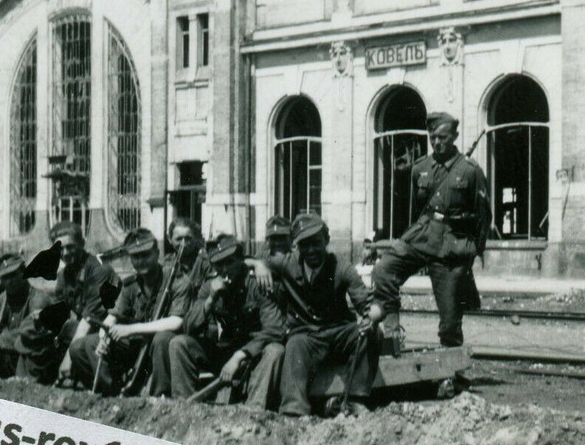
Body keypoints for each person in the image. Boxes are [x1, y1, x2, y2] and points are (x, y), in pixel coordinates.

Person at [371, 111, 490, 391]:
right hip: (423, 234)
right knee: (383, 270)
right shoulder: (419, 169)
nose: (437, 143)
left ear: (455, 138)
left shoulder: (470, 170)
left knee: (450, 318)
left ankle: (454, 372)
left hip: (452, 245)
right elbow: (417, 210)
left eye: (443, 138)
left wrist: (472, 251)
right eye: (433, 137)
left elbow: (484, 216)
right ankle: (390, 337)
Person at [265, 213, 382, 417]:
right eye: (304, 245)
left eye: (316, 244)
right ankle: (294, 410)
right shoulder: (288, 264)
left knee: (374, 333)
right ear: (297, 246)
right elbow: (251, 260)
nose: (311, 251)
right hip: (308, 337)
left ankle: (355, 399)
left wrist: (371, 317)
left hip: (339, 333)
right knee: (294, 344)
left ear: (326, 241)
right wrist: (258, 266)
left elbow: (367, 304)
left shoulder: (341, 267)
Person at [69, 228, 189, 397]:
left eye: (146, 255)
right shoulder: (131, 284)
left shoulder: (175, 279)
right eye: (136, 257)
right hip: (136, 345)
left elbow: (177, 321)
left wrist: (131, 329)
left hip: (162, 344)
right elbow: (113, 316)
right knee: (80, 347)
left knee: (162, 339)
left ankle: (158, 397)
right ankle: (111, 393)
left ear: (157, 253)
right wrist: (104, 337)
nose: (141, 261)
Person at [170, 234, 286, 405]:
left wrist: (240, 356)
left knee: (275, 350)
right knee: (179, 343)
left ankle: (254, 410)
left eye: (230, 262)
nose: (225, 269)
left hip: (255, 353)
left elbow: (275, 329)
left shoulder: (256, 283)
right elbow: (188, 327)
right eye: (218, 264)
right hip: (224, 351)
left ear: (241, 260)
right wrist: (210, 301)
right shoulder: (210, 285)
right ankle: (185, 409)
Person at [38, 221, 123, 384]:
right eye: (60, 248)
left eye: (70, 247)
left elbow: (91, 318)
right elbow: (62, 309)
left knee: (79, 344)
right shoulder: (65, 274)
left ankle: (104, 387)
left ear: (82, 244)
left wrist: (67, 359)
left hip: (109, 329)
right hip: (87, 327)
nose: (65, 253)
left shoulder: (98, 270)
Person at [0, 254, 59, 382]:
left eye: (13, 275)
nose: (9, 281)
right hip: (14, 356)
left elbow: (30, 334)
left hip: (37, 364)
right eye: (5, 277)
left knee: (27, 343)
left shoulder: (38, 298)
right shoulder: (5, 297)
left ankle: (26, 382)